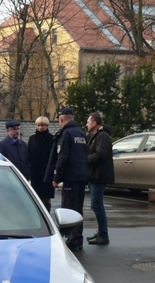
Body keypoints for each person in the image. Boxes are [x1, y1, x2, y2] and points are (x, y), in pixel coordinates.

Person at [49, 106, 87, 251]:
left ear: (61, 119)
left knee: (69, 209)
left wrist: (56, 177)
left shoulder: (66, 134)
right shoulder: (81, 133)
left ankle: (73, 239)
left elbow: (62, 157)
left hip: (70, 177)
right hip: (82, 176)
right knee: (78, 209)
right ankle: (78, 238)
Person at [85, 112, 114, 245]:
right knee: (96, 205)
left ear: (94, 123)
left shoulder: (103, 136)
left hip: (99, 176)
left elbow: (100, 155)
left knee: (97, 205)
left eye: (88, 122)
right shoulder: (95, 136)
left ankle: (103, 234)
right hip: (94, 176)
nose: (86, 124)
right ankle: (101, 232)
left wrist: (84, 159)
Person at [27, 116, 55, 211]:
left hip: (47, 173)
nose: (40, 127)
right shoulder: (32, 139)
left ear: (47, 126)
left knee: (46, 199)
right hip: (35, 173)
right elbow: (29, 155)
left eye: (42, 125)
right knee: (35, 198)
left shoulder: (52, 139)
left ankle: (47, 215)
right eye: (38, 125)